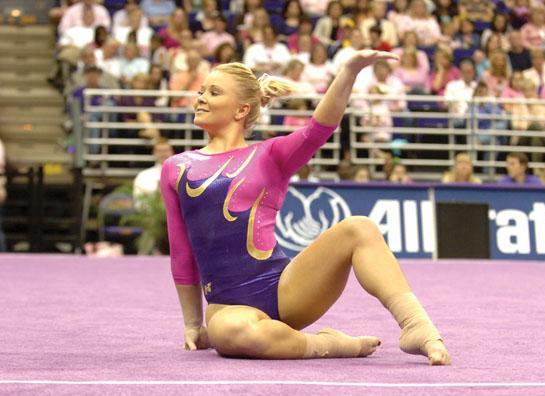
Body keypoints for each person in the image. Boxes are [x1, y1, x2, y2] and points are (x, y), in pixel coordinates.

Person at [159, 50, 451, 364]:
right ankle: (330, 344)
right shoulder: (177, 168)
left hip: (287, 290)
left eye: (214, 92)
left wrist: (348, 72)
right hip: (230, 309)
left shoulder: (270, 154)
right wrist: (193, 324)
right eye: (201, 91)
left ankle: (416, 325)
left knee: (359, 228)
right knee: (235, 334)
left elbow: (319, 128)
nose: (200, 97)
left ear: (242, 109)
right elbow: (182, 251)